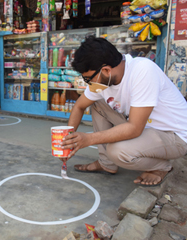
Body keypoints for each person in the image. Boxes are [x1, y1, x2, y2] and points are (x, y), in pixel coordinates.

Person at [60, 36, 187, 187]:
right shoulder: (103, 79)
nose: (89, 84)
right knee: (98, 105)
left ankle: (160, 167)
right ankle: (107, 164)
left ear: (106, 70)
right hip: (144, 127)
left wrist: (88, 139)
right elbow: (79, 106)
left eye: (89, 79)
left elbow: (134, 128)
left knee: (118, 151)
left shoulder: (143, 70)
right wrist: (67, 141)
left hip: (173, 135)